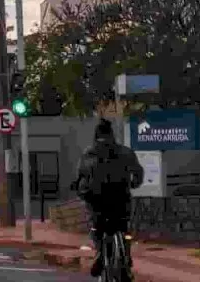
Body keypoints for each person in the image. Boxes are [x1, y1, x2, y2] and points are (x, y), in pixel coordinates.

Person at [72, 118, 144, 281]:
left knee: (97, 228)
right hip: (121, 198)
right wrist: (134, 183)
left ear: (96, 135)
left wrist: (81, 190)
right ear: (112, 135)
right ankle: (126, 257)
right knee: (124, 229)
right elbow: (138, 173)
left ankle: (99, 253)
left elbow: (80, 177)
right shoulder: (125, 152)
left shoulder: (88, 153)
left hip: (97, 201)